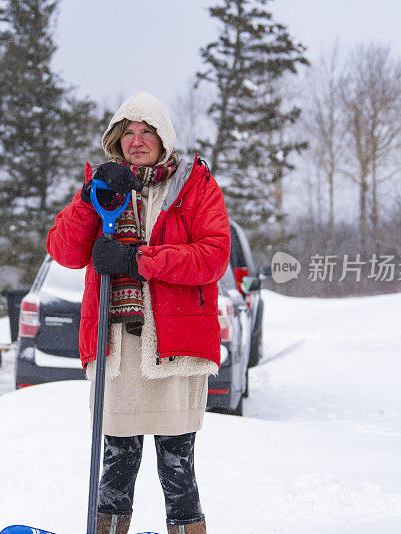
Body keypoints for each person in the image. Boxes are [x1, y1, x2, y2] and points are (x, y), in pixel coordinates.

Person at [46, 91, 231, 534]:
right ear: (115, 139)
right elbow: (64, 250)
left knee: (177, 463)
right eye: (127, 132)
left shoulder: (194, 185)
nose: (137, 139)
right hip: (118, 350)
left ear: (163, 135)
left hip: (175, 350)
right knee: (117, 460)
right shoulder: (101, 187)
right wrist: (91, 197)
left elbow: (212, 257)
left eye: (146, 130)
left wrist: (140, 261)